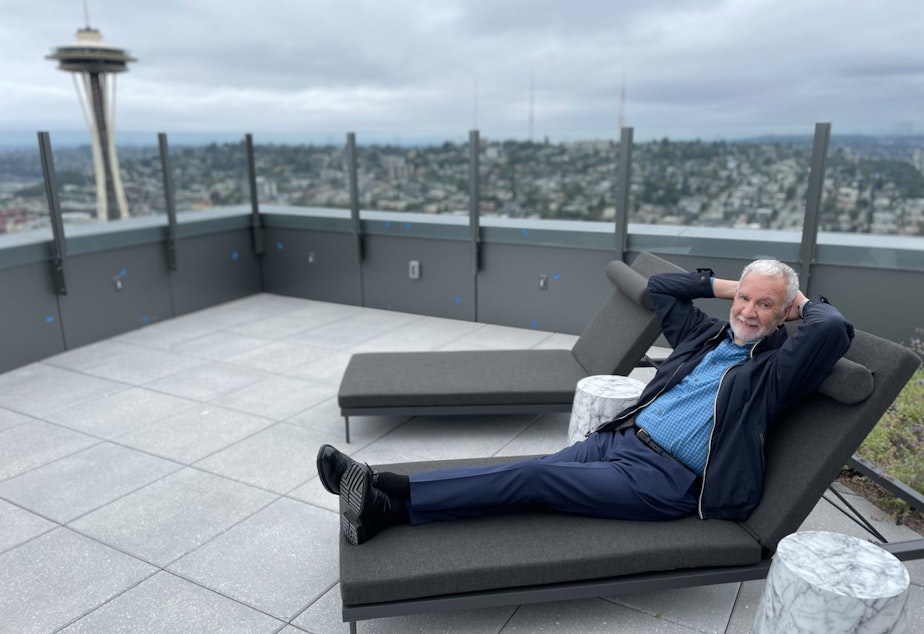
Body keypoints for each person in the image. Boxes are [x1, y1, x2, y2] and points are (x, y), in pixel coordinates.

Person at [317, 260, 854, 545]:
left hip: (666, 482)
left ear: (784, 314)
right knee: (529, 473)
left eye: (765, 305)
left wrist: (796, 300)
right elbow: (662, 288)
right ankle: (388, 516)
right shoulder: (706, 336)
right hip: (619, 441)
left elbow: (833, 328)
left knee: (535, 482)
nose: (749, 310)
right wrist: (734, 285)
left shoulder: (777, 367)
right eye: (745, 299)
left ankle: (388, 485)